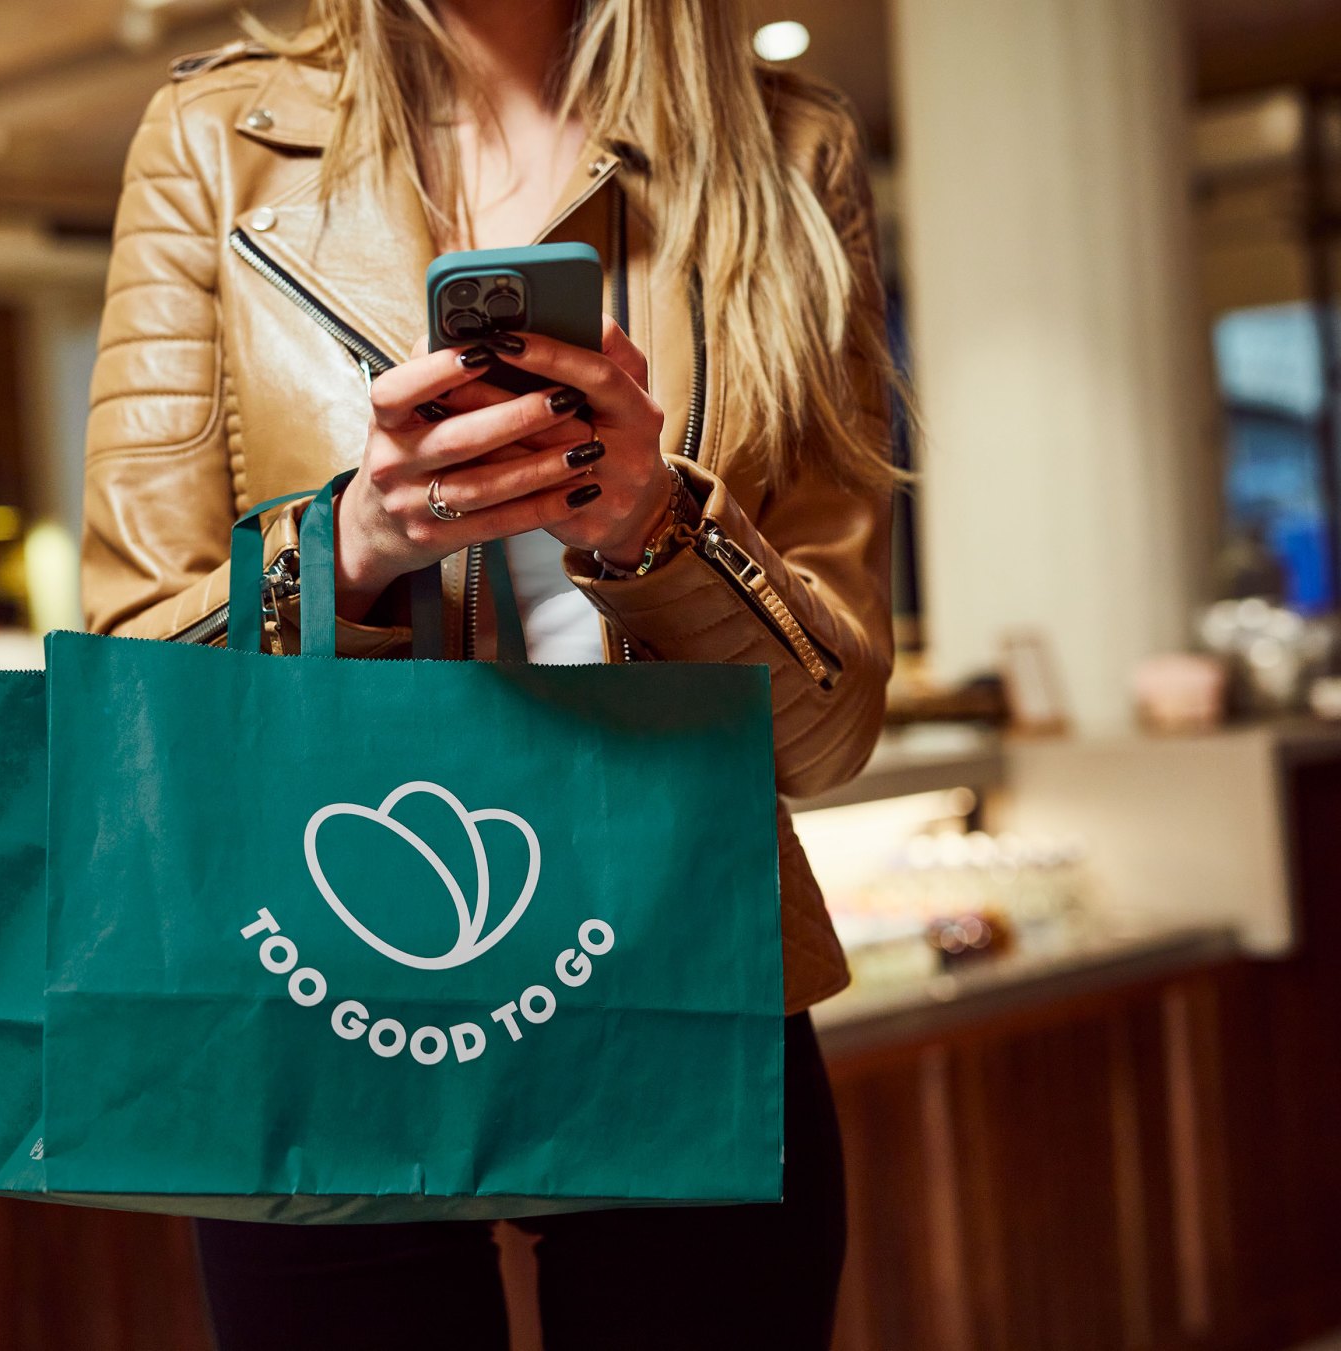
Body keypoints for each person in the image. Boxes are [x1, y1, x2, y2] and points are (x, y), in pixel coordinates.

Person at [80, 0, 897, 1345]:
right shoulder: (215, 141)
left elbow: (829, 732)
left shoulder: (782, 153)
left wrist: (659, 527)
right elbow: (141, 682)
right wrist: (355, 540)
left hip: (682, 961)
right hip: (322, 956)